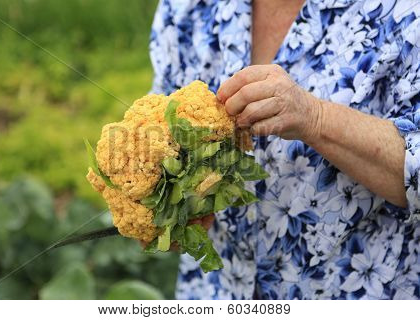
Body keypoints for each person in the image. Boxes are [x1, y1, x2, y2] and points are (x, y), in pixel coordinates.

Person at [149, 0, 420, 299]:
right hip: (214, 293)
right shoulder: (184, 7)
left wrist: (315, 117)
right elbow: (161, 120)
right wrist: (166, 207)